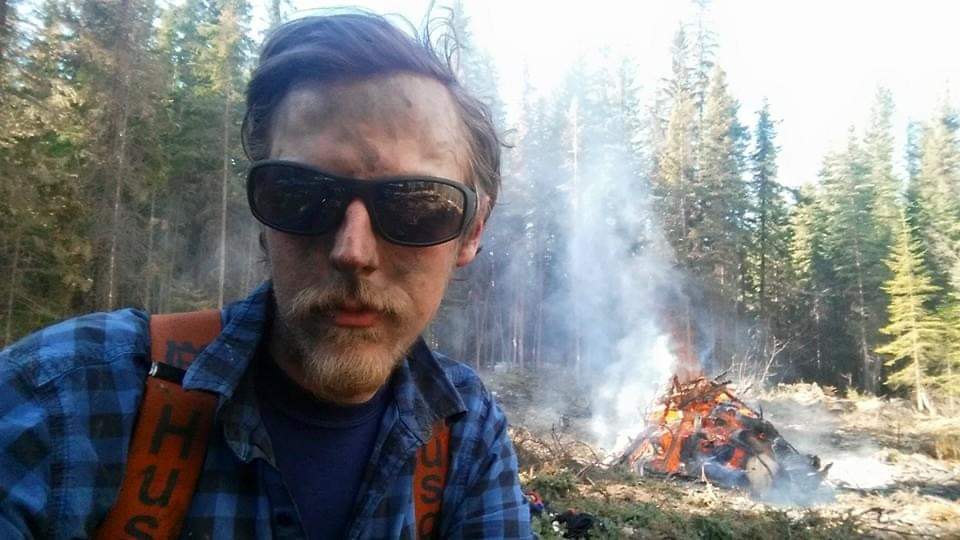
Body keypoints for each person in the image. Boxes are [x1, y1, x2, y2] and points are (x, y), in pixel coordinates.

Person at [0, 12, 531, 539]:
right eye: (301, 195)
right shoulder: (67, 395)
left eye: (418, 206)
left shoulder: (466, 432)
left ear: (471, 233)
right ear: (262, 210)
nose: (353, 252)